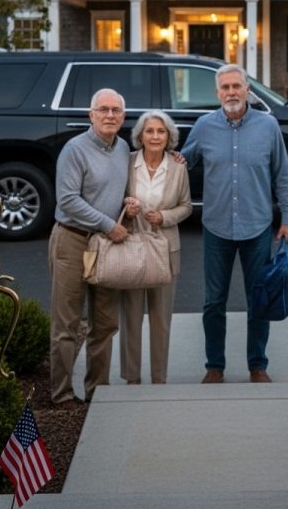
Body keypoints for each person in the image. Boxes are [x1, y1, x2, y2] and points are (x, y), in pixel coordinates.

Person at [182, 63, 288, 384]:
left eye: (237, 86)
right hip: (216, 227)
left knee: (258, 299)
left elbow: (283, 176)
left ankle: (257, 365)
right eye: (225, 88)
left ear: (247, 90)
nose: (231, 92)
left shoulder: (268, 126)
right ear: (217, 93)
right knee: (213, 301)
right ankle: (214, 366)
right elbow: (180, 164)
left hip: (257, 226)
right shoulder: (204, 126)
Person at [48, 88, 130, 408]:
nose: (110, 115)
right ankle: (62, 394)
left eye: (116, 111)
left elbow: (118, 188)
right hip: (72, 239)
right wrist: (109, 224)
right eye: (103, 110)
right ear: (90, 115)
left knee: (105, 322)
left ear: (123, 117)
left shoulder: (122, 148)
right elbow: (68, 199)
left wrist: (128, 204)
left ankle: (97, 389)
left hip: (106, 247)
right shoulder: (75, 149)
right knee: (66, 324)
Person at [120, 110, 192, 384]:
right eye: (149, 131)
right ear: (140, 135)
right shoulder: (126, 163)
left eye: (161, 131)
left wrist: (164, 217)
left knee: (161, 319)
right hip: (132, 247)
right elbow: (115, 198)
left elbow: (186, 206)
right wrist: (127, 208)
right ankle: (132, 377)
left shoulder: (178, 166)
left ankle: (159, 378)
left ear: (169, 137)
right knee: (132, 316)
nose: (155, 136)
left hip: (165, 250)